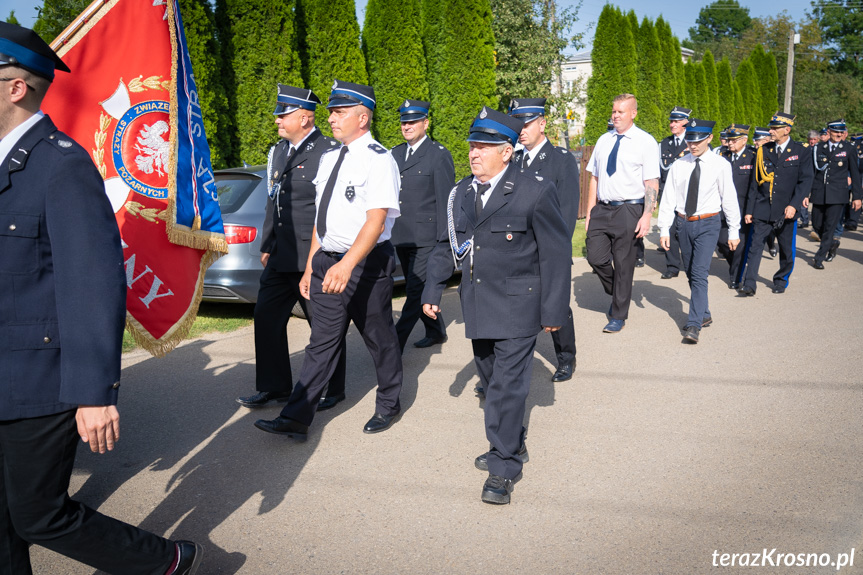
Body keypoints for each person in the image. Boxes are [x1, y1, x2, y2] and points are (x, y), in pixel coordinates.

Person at [0, 22, 201, 574]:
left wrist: (94, 392)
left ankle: (167, 562)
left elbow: (92, 283)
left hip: (41, 380)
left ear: (15, 87)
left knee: (39, 515)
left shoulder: (60, 164)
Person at [421, 106, 571, 504]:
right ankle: (512, 441)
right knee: (490, 384)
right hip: (478, 305)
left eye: (484, 146)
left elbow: (556, 255)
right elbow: (444, 246)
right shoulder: (462, 193)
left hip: (519, 308)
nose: (474, 153)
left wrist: (554, 312)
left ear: (506, 151)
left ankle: (503, 465)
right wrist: (431, 291)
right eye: (472, 145)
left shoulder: (534, 189)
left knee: (505, 389)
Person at [255, 80, 403, 438]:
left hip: (364, 265)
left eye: (340, 112)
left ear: (363, 117)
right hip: (326, 262)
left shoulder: (380, 160)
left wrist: (347, 264)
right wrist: (311, 266)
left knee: (378, 337)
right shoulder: (329, 158)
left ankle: (389, 402)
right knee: (321, 341)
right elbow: (322, 220)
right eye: (332, 112)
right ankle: (296, 417)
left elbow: (376, 220)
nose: (332, 118)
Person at [237, 83, 348, 412]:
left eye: (283, 115)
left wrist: (323, 257)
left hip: (313, 255)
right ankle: (274, 386)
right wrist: (267, 241)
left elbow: (329, 208)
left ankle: (333, 388)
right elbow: (273, 200)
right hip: (281, 254)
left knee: (323, 324)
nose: (277, 120)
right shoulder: (278, 152)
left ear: (305, 118)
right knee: (266, 315)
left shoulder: (329, 151)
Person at [509, 98, 580, 382]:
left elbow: (566, 212)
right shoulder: (511, 159)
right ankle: (509, 369)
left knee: (555, 303)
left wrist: (555, 252)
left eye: (525, 124)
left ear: (542, 123)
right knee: (516, 307)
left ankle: (566, 358)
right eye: (517, 125)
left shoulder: (561, 160)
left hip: (547, 248)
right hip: (516, 249)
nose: (520, 130)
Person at [658, 119, 740, 344]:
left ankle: (693, 324)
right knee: (690, 271)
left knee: (700, 272)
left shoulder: (720, 165)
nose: (693, 145)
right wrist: (664, 228)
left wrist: (734, 229)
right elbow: (669, 198)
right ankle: (704, 313)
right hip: (684, 223)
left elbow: (729, 198)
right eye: (690, 141)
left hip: (708, 223)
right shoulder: (679, 165)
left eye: (699, 141)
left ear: (710, 139)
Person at [584, 94, 660, 332]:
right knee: (595, 257)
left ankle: (618, 314)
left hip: (629, 209)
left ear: (633, 113)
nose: (615, 115)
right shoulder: (604, 140)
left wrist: (647, 215)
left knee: (624, 263)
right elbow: (594, 178)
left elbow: (652, 182)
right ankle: (619, 290)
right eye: (614, 111)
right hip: (602, 209)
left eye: (620, 112)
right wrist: (589, 212)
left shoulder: (645, 142)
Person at [390, 99, 454, 351]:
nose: (407, 126)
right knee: (417, 287)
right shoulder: (394, 153)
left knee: (415, 294)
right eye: (404, 122)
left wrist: (444, 242)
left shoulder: (438, 155)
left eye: (413, 121)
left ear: (425, 123)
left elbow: (445, 201)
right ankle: (436, 331)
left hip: (427, 239)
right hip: (401, 236)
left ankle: (394, 345)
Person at [738, 112, 814, 296]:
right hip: (763, 208)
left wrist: (794, 205)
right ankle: (749, 284)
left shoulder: (801, 150)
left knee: (787, 249)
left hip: (786, 209)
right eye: (771, 128)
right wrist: (749, 210)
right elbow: (755, 183)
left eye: (775, 128)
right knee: (755, 247)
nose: (770, 131)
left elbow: (806, 180)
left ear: (787, 130)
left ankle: (781, 279)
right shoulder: (763, 150)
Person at [806, 119, 862, 269]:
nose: (839, 134)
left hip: (838, 193)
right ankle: (831, 244)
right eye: (836, 131)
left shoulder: (849, 148)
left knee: (830, 225)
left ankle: (819, 257)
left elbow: (856, 175)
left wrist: (857, 197)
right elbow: (811, 172)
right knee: (817, 224)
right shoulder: (818, 147)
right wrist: (806, 193)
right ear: (829, 132)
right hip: (819, 192)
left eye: (841, 132)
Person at [718, 124, 757, 289]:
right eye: (729, 139)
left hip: (743, 208)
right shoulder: (722, 156)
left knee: (740, 245)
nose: (730, 143)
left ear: (744, 140)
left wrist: (751, 210)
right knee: (722, 242)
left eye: (734, 140)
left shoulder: (753, 156)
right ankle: (736, 265)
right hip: (722, 209)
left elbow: (755, 187)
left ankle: (735, 276)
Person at [657, 106, 691, 280]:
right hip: (667, 194)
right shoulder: (664, 143)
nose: (672, 124)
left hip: (687, 194)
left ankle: (691, 263)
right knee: (668, 229)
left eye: (676, 121)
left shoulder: (694, 141)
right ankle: (672, 266)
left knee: (686, 231)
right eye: (671, 121)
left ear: (686, 123)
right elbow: (658, 171)